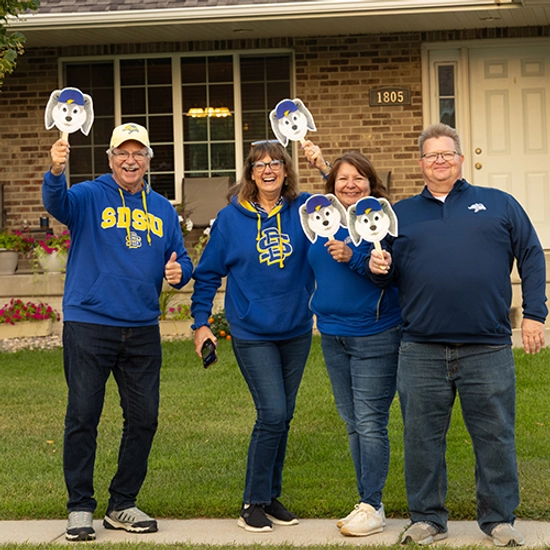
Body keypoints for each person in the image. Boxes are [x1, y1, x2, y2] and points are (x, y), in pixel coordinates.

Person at [369, 123, 547, 547]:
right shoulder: (400, 215)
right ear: (421, 163)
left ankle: (499, 519)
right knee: (422, 439)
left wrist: (535, 314)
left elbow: (532, 254)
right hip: (421, 346)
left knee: (495, 435)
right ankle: (428, 518)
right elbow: (388, 275)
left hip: (486, 345)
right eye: (431, 155)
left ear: (461, 158)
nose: (440, 161)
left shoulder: (499, 204)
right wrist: (379, 269)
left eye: (447, 153)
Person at [43, 122, 193, 542]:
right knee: (83, 417)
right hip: (90, 323)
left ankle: (122, 503)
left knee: (144, 419)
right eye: (122, 153)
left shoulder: (161, 207)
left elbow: (181, 260)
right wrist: (56, 170)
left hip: (142, 327)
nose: (131, 160)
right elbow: (56, 202)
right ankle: (80, 507)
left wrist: (182, 270)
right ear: (110, 159)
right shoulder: (89, 196)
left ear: (148, 160)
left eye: (138, 153)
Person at [191, 140, 315, 533]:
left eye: (276, 162)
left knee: (285, 415)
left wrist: (323, 163)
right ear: (250, 172)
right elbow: (208, 273)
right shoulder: (230, 220)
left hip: (296, 330)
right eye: (260, 164)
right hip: (253, 331)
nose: (268, 169)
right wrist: (200, 322)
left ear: (286, 170)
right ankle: (252, 502)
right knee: (273, 412)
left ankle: (270, 496)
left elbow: (347, 203)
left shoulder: (304, 210)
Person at [302, 141, 401, 537]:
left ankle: (372, 504)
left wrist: (354, 257)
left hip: (375, 334)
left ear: (371, 183)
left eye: (358, 178)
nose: (350, 185)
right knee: (352, 422)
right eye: (342, 179)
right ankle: (366, 501)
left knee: (371, 422)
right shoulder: (321, 218)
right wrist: (322, 164)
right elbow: (333, 185)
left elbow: (385, 276)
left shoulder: (380, 222)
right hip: (332, 335)